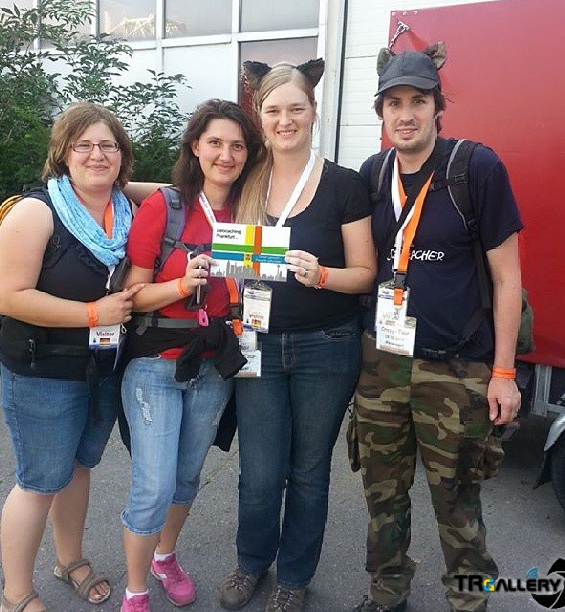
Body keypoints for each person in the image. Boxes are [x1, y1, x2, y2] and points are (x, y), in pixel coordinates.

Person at [351, 44, 523, 612]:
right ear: (381, 111)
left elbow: (508, 279)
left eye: (417, 102)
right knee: (382, 494)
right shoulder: (373, 175)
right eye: (393, 103)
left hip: (457, 366)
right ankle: (387, 591)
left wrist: (503, 373)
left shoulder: (475, 169)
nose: (405, 115)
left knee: (458, 501)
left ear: (437, 107)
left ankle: (472, 600)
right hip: (382, 364)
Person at [218, 60, 376, 612]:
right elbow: (183, 191)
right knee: (260, 472)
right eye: (273, 110)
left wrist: (324, 275)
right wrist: (110, 184)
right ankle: (251, 563)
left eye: (295, 109)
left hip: (325, 345)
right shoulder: (245, 178)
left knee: (308, 472)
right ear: (259, 116)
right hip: (256, 343)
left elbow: (365, 273)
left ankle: (294, 576)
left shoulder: (344, 184)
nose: (284, 120)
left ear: (313, 111)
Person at [0, 102, 141, 612]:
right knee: (38, 483)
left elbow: (173, 191)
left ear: (122, 156)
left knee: (78, 468)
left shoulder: (124, 209)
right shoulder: (36, 213)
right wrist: (93, 314)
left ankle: (69, 560)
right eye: (84, 145)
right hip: (41, 371)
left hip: (100, 369)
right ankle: (15, 594)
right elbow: (6, 297)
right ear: (63, 152)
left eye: (108, 146)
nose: (97, 155)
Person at [119, 99, 264, 612]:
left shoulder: (251, 212)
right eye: (216, 142)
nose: (226, 154)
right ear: (196, 146)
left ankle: (165, 557)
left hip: (214, 367)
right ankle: (136, 591)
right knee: (154, 485)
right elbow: (132, 296)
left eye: (237, 145)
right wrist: (181, 284)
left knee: (184, 478)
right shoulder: (166, 206)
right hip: (156, 365)